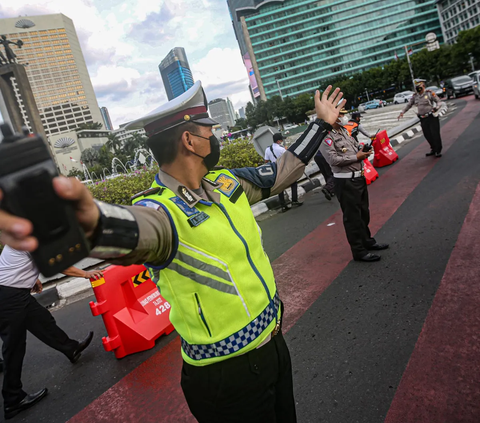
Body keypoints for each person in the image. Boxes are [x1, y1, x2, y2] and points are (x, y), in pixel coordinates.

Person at [0, 82, 346, 423]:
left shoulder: (226, 184)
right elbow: (138, 231)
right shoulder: (161, 210)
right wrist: (87, 223)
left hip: (273, 346)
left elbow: (283, 171)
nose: (216, 136)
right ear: (189, 140)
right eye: (208, 130)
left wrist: (320, 124)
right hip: (228, 377)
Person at [0, 245, 102, 420]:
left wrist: (32, 279)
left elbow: (21, 262)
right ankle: (13, 399)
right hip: (8, 296)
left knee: (42, 320)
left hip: (14, 292)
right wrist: (86, 274)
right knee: (14, 347)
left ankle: (71, 348)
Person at [319, 109, 389, 263]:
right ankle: (359, 251)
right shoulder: (326, 137)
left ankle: (368, 242)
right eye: (341, 115)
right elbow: (333, 160)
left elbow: (353, 147)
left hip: (359, 178)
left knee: (364, 213)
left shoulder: (344, 131)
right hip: (345, 182)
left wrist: (362, 150)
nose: (344, 117)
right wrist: (356, 156)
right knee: (353, 218)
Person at [398, 79, 443, 158]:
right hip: (423, 118)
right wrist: (402, 112)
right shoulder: (415, 96)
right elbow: (409, 105)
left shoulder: (429, 93)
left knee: (435, 134)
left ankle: (438, 150)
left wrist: (437, 107)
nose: (418, 89)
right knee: (427, 135)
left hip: (431, 117)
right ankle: (433, 148)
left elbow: (439, 101)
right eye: (416, 87)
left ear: (423, 86)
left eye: (419, 86)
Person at [264, 133, 302, 212]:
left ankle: (283, 205)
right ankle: (294, 200)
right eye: (281, 140)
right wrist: (286, 149)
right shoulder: (281, 149)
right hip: (285, 169)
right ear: (278, 141)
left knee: (280, 187)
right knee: (293, 183)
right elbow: (289, 158)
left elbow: (266, 161)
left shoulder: (268, 149)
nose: (282, 141)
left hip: (275, 170)